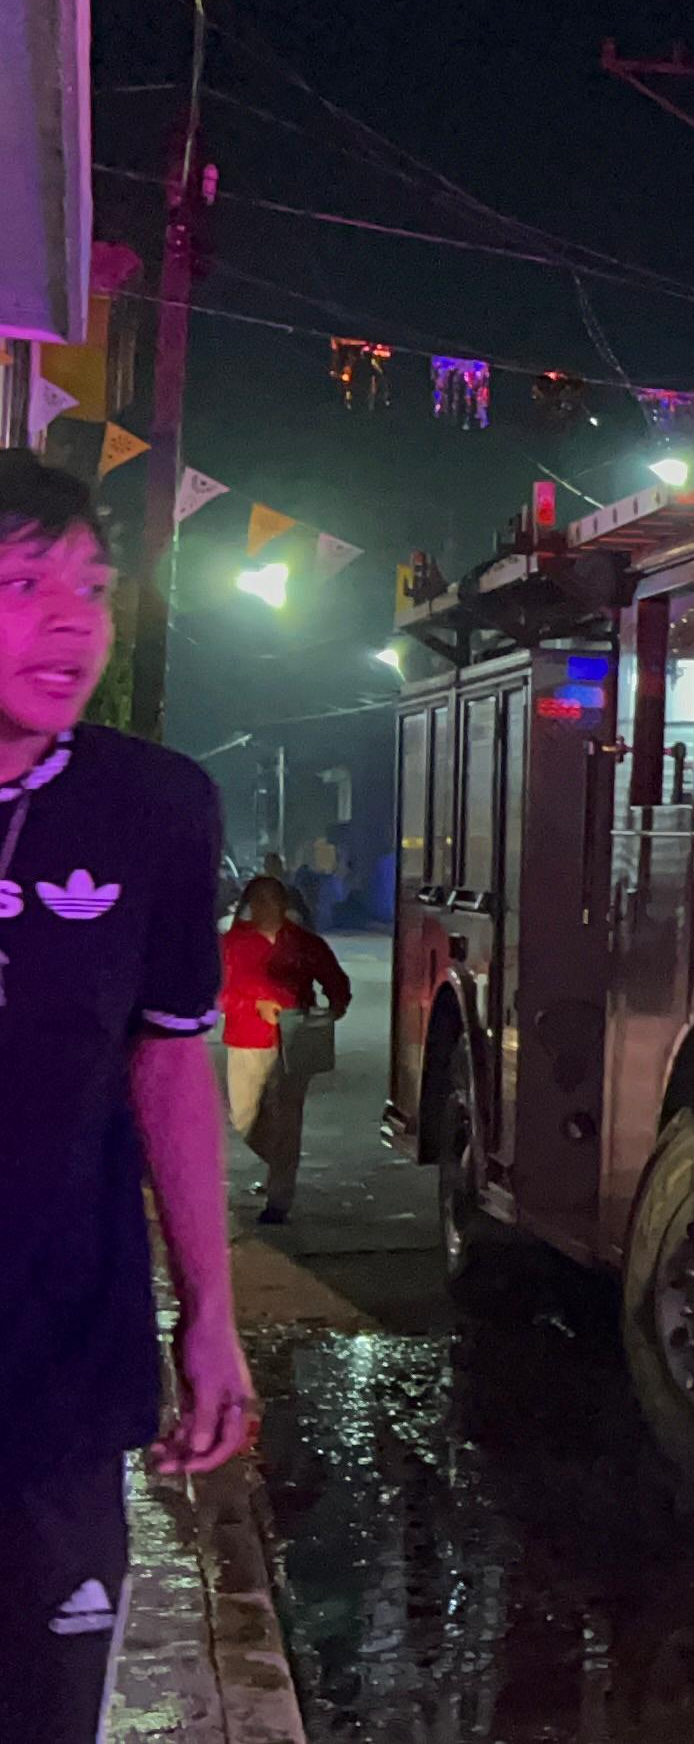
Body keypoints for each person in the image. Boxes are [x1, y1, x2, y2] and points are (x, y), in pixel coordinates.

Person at [0, 453, 256, 1744]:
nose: (71, 620)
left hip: (60, 1366)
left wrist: (209, 1314)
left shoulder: (155, 808)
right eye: (22, 582)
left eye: (90, 585)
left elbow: (169, 1060)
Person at [221, 874, 351, 1226]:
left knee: (287, 1118)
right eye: (258, 901)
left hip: (295, 1041)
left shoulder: (304, 943)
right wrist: (254, 1005)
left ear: (283, 904)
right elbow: (219, 992)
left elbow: (334, 979)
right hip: (247, 1039)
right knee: (245, 1117)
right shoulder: (231, 944)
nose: (264, 907)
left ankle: (280, 1198)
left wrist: (336, 1006)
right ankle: (280, 1161)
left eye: (271, 900)